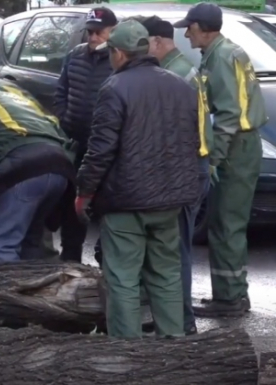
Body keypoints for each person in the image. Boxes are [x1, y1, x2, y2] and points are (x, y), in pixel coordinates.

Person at [76, 20, 200, 338]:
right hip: (170, 199)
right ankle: (175, 346)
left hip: (127, 201)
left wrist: (84, 190)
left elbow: (100, 149)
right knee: (167, 274)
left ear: (118, 53)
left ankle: (127, 354)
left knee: (123, 278)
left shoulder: (115, 88)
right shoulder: (181, 86)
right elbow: (191, 142)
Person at [174, 3, 267, 317]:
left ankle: (229, 300)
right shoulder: (222, 52)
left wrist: (215, 157)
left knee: (226, 225)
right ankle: (234, 295)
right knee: (228, 223)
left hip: (235, 148)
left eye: (190, 27)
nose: (186, 33)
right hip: (240, 146)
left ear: (204, 28)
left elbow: (228, 114)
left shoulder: (222, 58)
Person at [137, 15, 213, 334]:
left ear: (156, 42)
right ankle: (172, 318)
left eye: (142, 44)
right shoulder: (181, 70)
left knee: (174, 251)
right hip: (193, 168)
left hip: (185, 170)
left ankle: (181, 322)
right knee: (170, 249)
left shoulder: (174, 75)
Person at [0, 69, 76, 262]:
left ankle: (3, 292)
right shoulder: (15, 95)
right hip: (60, 168)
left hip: (22, 172)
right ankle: (41, 290)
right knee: (30, 241)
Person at [53, 7, 117, 263]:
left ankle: (107, 265)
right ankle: (70, 259)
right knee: (72, 204)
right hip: (75, 144)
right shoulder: (75, 56)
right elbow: (61, 90)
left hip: (106, 146)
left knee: (106, 205)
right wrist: (64, 116)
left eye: (99, 32)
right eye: (89, 32)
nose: (93, 37)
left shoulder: (117, 60)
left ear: (113, 32)